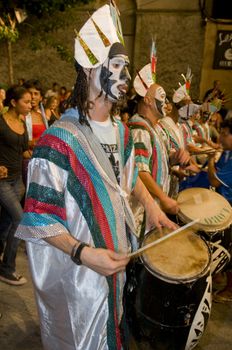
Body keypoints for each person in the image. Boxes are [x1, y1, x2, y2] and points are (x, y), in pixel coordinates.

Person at [15, 4, 176, 350]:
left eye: (125, 68)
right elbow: (39, 216)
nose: (122, 76)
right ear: (90, 70)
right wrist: (86, 254)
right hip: (81, 277)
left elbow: (129, 178)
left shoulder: (121, 132)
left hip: (118, 268)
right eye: (115, 66)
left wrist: (152, 207)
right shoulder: (58, 140)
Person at [128, 61, 190, 235]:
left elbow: (157, 160)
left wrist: (176, 157)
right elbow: (140, 171)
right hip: (140, 213)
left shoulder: (156, 127)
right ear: (147, 100)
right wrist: (163, 199)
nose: (166, 103)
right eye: (161, 97)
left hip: (153, 211)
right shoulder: (139, 129)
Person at [0, 85, 31, 285]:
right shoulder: (1, 123)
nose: (30, 105)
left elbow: (23, 150)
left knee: (6, 221)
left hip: (17, 180)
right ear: (13, 102)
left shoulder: (22, 122)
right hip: (2, 181)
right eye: (26, 102)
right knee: (19, 220)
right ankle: (7, 268)